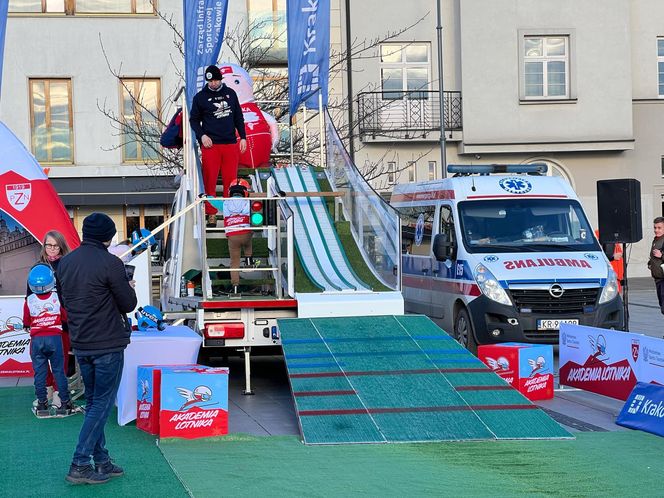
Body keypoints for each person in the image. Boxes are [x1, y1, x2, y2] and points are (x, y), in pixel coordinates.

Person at [57, 213, 137, 485]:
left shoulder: (65, 263)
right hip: (108, 342)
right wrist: (127, 286)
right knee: (101, 404)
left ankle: (101, 461)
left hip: (81, 342)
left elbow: (64, 301)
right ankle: (80, 463)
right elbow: (128, 304)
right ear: (108, 236)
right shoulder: (111, 263)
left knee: (94, 403)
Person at [189, 64, 247, 228]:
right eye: (211, 81)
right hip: (211, 145)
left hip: (230, 143)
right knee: (210, 180)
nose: (213, 84)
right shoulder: (200, 97)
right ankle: (211, 213)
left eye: (216, 80)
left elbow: (238, 117)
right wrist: (202, 135)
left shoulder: (230, 93)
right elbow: (193, 120)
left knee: (231, 181)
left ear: (220, 79)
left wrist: (243, 137)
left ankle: (231, 213)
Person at [26, 231, 72, 409]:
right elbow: (29, 296)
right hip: (41, 325)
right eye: (48, 245)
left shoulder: (67, 265)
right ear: (43, 246)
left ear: (61, 246)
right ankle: (45, 395)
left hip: (62, 322)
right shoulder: (37, 267)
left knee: (61, 362)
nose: (52, 249)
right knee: (41, 363)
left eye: (55, 245)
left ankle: (60, 395)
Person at [223, 179, 254, 294]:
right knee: (249, 238)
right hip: (245, 232)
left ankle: (235, 287)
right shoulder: (248, 202)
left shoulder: (225, 203)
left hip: (232, 236)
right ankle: (248, 258)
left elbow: (213, 201)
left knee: (234, 262)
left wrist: (206, 197)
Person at [648, 216, 664, 315]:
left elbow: (659, 255)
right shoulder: (656, 240)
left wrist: (661, 255)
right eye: (655, 228)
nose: (656, 230)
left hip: (663, 279)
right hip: (658, 279)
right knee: (662, 305)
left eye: (659, 228)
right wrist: (650, 264)